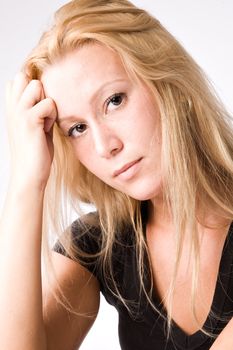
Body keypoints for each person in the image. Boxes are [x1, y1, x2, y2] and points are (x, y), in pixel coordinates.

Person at [0, 0, 233, 349]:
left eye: (114, 101)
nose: (103, 146)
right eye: (77, 128)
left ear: (169, 81)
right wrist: (25, 183)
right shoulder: (103, 243)